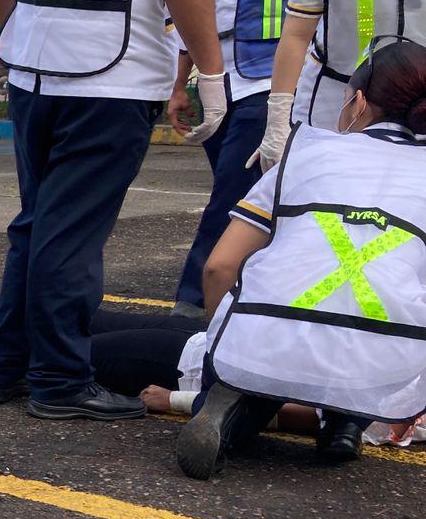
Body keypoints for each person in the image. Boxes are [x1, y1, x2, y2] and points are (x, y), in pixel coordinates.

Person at [0, 0, 227, 421]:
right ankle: (59, 379)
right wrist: (210, 70)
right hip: (108, 76)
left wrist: (8, 37)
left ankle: (5, 365)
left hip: (34, 71)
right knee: (70, 234)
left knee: (36, 224)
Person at [178, 39, 426, 479]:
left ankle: (230, 407)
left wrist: (218, 343)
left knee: (131, 342)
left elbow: (219, 266)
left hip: (272, 323)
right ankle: (344, 421)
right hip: (385, 358)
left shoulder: (305, 152)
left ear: (359, 101)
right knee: (353, 350)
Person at [167, 0, 281, 318]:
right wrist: (179, 86)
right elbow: (193, 9)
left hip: (268, 82)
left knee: (231, 196)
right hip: (218, 82)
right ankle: (253, 285)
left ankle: (193, 302)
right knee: (245, 193)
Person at [0, 270, 206, 398]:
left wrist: (173, 400)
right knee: (79, 323)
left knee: (56, 355)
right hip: (203, 338)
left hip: (188, 366)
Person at [252, 0, 425, 166]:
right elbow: (296, 34)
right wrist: (277, 123)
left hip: (417, 100)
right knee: (325, 186)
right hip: (336, 102)